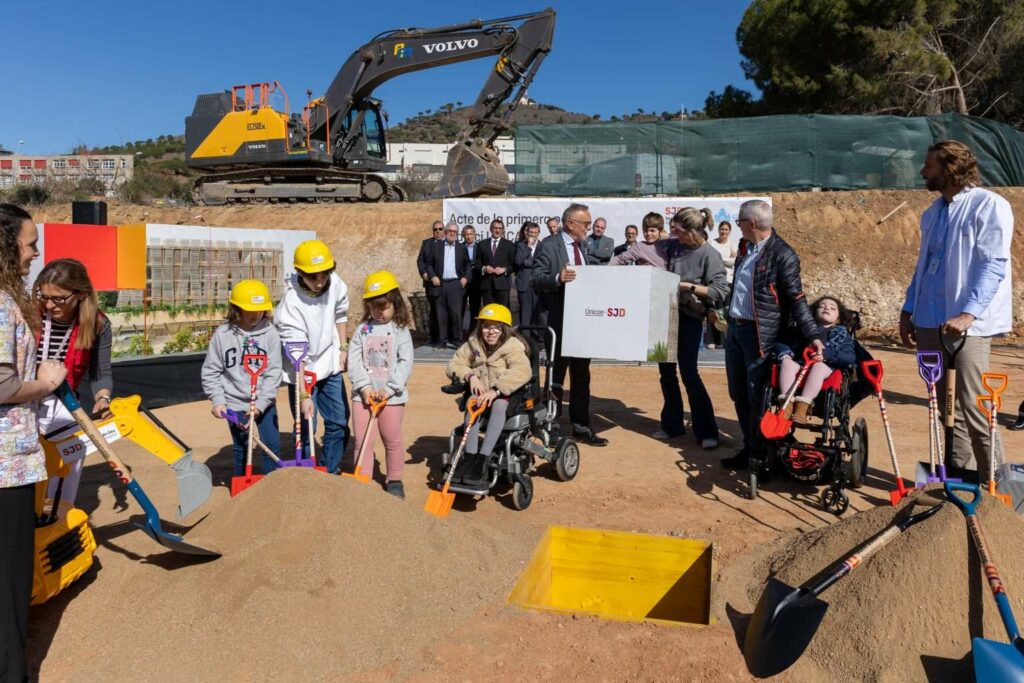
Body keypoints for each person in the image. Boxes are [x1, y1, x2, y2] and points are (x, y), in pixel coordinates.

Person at [899, 140, 1013, 479]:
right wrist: (909, 310)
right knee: (945, 409)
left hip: (968, 326)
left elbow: (994, 264)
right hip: (930, 321)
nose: (923, 171)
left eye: (929, 165)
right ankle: (957, 480)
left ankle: (999, 486)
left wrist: (969, 314)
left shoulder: (988, 205)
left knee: (976, 407)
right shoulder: (932, 213)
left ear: (950, 169)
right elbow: (924, 266)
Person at [0, 203, 68, 683]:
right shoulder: (1, 307)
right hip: (5, 468)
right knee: (8, 584)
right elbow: (2, 386)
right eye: (29, 243)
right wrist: (44, 383)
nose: (35, 252)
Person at [721, 200, 823, 470]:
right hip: (735, 330)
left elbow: (796, 299)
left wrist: (812, 333)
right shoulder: (745, 248)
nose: (737, 225)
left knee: (757, 396)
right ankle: (749, 445)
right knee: (738, 392)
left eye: (740, 221)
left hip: (759, 335)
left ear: (751, 223)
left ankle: (761, 453)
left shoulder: (783, 254)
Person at [32, 258, 114, 505]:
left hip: (63, 402)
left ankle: (57, 514)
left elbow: (100, 372)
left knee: (72, 452)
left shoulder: (98, 323)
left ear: (81, 294)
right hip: (25, 397)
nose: (49, 305)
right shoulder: (28, 315)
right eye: (43, 296)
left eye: (59, 298)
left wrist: (102, 397)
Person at [531, 202, 608, 446]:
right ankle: (551, 425)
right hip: (558, 321)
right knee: (555, 375)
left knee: (582, 375)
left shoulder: (584, 246)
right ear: (570, 224)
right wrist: (557, 278)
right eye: (585, 223)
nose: (589, 227)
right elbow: (536, 278)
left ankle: (581, 425)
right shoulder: (548, 245)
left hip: (582, 322)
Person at [275, 239, 351, 475]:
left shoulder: (336, 284)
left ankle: (330, 469)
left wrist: (343, 348)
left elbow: (340, 314)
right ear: (300, 272)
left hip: (329, 363)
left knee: (339, 421)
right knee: (308, 424)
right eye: (313, 276)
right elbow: (298, 354)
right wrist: (303, 394)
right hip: (302, 368)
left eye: (324, 274)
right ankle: (310, 477)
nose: (320, 281)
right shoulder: (291, 303)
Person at [659, 207, 729, 449]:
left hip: (690, 318)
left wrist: (687, 287)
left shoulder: (709, 254)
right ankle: (672, 426)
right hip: (666, 317)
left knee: (689, 373)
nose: (673, 233)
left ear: (691, 231)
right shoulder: (672, 246)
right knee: (666, 373)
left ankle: (707, 431)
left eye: (677, 230)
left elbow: (720, 290)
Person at [201, 280, 283, 476]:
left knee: (271, 446)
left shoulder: (271, 334)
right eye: (249, 310)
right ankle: (242, 496)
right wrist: (218, 401)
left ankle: (272, 490)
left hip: (264, 401)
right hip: (234, 402)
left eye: (260, 310)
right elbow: (211, 371)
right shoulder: (223, 335)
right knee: (241, 448)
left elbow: (274, 372)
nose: (255, 315)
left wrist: (261, 405)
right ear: (236, 308)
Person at [446, 304, 532, 485]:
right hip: (480, 394)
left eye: (496, 326)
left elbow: (522, 371)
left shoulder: (513, 346)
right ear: (480, 327)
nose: (490, 331)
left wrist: (496, 390)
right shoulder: (473, 343)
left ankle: (482, 460)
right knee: (472, 401)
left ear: (504, 329)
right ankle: (470, 458)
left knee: (499, 405)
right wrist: (469, 376)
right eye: (486, 326)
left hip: (507, 394)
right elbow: (454, 364)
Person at [348, 271, 414, 499]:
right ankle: (362, 478)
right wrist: (365, 388)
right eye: (374, 307)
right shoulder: (362, 330)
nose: (379, 312)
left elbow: (406, 362)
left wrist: (388, 390)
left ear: (395, 303)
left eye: (384, 307)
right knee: (363, 440)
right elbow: (353, 360)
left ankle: (394, 479)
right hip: (363, 397)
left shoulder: (401, 331)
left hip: (392, 397)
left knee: (392, 439)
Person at [775, 296, 856, 425]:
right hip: (800, 363)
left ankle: (802, 408)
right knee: (787, 363)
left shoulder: (842, 335)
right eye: (822, 306)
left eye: (832, 308)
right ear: (813, 312)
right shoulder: (801, 330)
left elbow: (849, 357)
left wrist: (826, 355)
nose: (827, 308)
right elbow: (782, 343)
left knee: (819, 367)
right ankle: (786, 404)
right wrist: (786, 354)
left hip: (825, 367)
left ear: (839, 318)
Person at [425, 223, 470, 349]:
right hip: (440, 283)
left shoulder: (461, 248)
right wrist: (433, 276)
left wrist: (466, 277)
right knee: (441, 314)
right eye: (449, 231)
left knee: (456, 313)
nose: (452, 233)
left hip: (455, 284)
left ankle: (457, 340)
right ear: (445, 232)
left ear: (457, 234)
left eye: (454, 231)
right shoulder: (436, 246)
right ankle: (442, 341)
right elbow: (428, 264)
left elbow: (468, 265)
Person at [707, 221, 736, 348]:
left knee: (726, 311)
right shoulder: (712, 243)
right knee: (714, 312)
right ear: (718, 230)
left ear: (729, 231)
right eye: (722, 229)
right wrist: (727, 259)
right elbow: (710, 260)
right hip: (714, 282)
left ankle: (724, 341)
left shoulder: (732, 244)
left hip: (728, 282)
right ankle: (712, 340)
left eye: (726, 229)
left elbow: (733, 262)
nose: (724, 231)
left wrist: (719, 258)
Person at [416, 221, 445, 345]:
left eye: (440, 229)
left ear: (444, 230)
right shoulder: (426, 243)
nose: (437, 231)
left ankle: (446, 337)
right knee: (433, 310)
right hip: (431, 283)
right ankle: (434, 337)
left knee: (446, 311)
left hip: (446, 283)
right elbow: (420, 260)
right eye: (435, 229)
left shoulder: (449, 243)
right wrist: (424, 273)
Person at [477, 219, 515, 307]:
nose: (497, 230)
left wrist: (504, 269)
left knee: (502, 314)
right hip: (487, 286)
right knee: (489, 314)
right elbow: (477, 263)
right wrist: (484, 268)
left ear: (502, 230)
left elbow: (514, 265)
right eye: (495, 228)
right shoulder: (482, 244)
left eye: (500, 228)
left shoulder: (509, 245)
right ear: (491, 229)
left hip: (502, 286)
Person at [514, 222, 542, 332]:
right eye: (531, 232)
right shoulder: (520, 245)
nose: (533, 235)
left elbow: (541, 263)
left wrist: (527, 263)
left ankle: (536, 340)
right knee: (524, 314)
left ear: (538, 233)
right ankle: (525, 339)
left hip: (538, 283)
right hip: (523, 283)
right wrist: (528, 247)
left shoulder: (542, 246)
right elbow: (518, 261)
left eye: (535, 233)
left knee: (537, 313)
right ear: (527, 233)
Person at [461, 225, 481, 338]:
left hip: (476, 281)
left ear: (474, 235)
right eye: (466, 234)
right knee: (461, 307)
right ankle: (460, 333)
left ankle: (473, 332)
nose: (469, 237)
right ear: (463, 236)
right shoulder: (459, 247)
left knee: (475, 308)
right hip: (463, 281)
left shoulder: (479, 247)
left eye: (471, 234)